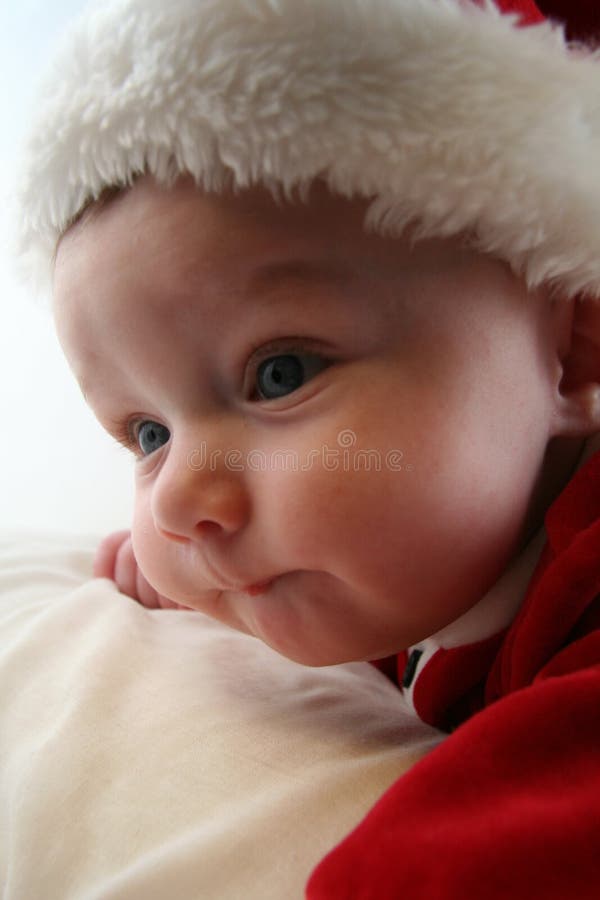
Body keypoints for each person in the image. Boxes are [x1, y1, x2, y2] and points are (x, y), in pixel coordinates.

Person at [14, 0, 600, 897]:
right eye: (149, 434)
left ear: (570, 350)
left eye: (279, 374)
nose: (173, 500)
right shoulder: (432, 558)